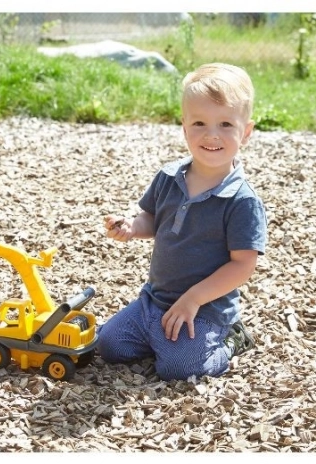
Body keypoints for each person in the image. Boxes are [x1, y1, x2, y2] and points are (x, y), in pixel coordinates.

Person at [97, 62, 267, 381]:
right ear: (184, 127)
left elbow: (243, 265)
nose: (211, 135)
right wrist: (133, 227)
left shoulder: (241, 200)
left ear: (245, 132)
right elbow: (153, 218)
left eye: (226, 124)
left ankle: (229, 339)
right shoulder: (169, 177)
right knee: (109, 345)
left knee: (178, 369)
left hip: (205, 311)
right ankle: (161, 337)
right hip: (155, 300)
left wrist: (194, 299)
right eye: (200, 123)